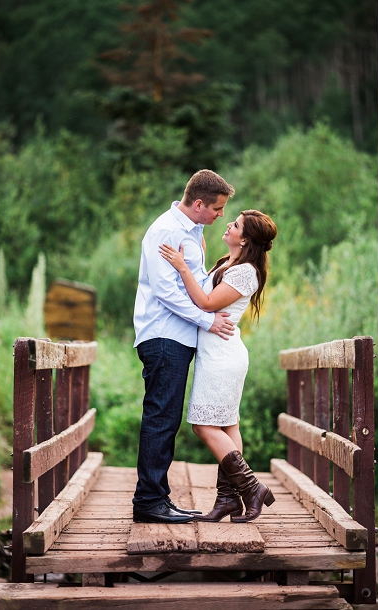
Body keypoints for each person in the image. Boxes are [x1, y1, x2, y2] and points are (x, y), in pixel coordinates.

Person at [159, 209, 277, 523]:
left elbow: (207, 304)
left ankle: (251, 487)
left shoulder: (245, 272)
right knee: (227, 425)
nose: (228, 224)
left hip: (222, 357)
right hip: (217, 354)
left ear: (246, 239)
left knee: (202, 424)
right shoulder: (229, 264)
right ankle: (227, 499)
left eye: (236, 224)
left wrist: (182, 267)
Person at [132, 169, 236, 524]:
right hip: (163, 335)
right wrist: (207, 321)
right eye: (218, 209)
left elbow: (194, 285)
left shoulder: (192, 234)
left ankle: (158, 497)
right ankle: (148, 501)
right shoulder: (167, 231)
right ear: (198, 203)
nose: (220, 215)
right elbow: (165, 291)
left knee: (167, 417)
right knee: (161, 416)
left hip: (177, 337)